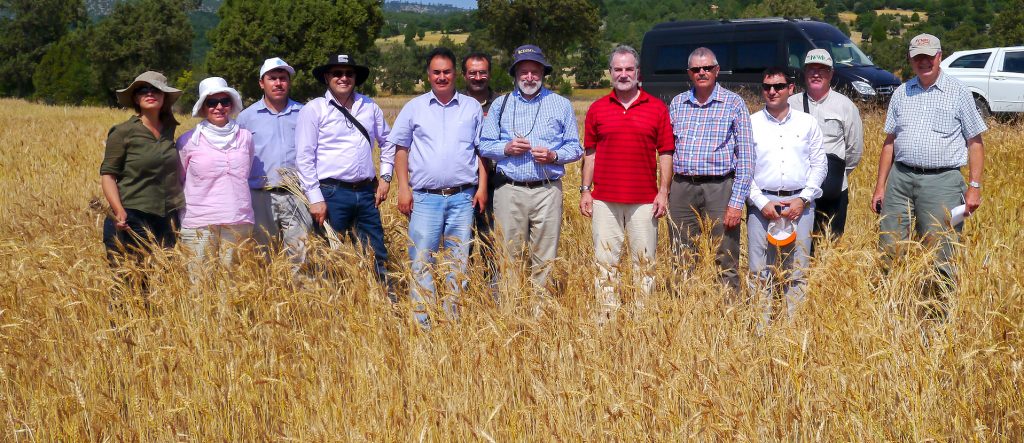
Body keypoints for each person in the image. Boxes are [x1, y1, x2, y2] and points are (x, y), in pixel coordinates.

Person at [870, 34, 986, 315]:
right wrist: (880, 186)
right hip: (900, 178)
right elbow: (890, 143)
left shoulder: (959, 93)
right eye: (917, 57)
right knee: (890, 247)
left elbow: (975, 143)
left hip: (942, 181)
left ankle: (936, 318)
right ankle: (892, 311)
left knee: (940, 253)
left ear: (939, 56)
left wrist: (974, 186)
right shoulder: (902, 92)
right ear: (910, 60)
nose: (923, 62)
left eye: (928, 56)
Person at [390, 47, 487, 326]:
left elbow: (481, 151)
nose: (441, 77)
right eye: (436, 72)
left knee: (457, 263)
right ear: (428, 75)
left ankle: (453, 320)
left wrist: (481, 187)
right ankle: (424, 323)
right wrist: (403, 188)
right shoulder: (414, 108)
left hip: (462, 198)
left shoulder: (471, 107)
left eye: (446, 72)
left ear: (455, 74)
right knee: (422, 261)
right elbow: (401, 150)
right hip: (425, 199)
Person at [479, 44, 583, 295]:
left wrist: (553, 155)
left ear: (543, 74)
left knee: (545, 258)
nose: (529, 77)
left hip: (547, 191)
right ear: (515, 74)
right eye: (523, 71)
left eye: (535, 72)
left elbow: (576, 148)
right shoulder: (500, 105)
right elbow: (484, 145)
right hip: (509, 190)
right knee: (508, 256)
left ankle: (540, 314)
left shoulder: (560, 105)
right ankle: (511, 310)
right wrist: (507, 148)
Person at [579, 45, 673, 318]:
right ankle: (607, 318)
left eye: (628, 69)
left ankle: (641, 321)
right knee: (605, 263)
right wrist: (586, 191)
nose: (623, 74)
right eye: (618, 69)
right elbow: (591, 153)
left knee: (644, 264)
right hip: (605, 200)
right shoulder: (597, 109)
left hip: (645, 201)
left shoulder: (656, 108)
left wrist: (663, 192)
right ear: (610, 73)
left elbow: (665, 152)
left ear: (638, 72)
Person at [296, 54, 395, 290]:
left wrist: (386, 177)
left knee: (375, 251)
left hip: (366, 192)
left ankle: (384, 302)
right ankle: (336, 307)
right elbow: (304, 157)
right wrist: (315, 198)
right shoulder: (314, 109)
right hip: (331, 193)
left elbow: (389, 142)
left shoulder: (370, 106)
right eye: (337, 73)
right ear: (327, 78)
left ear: (356, 78)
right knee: (330, 255)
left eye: (349, 73)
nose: (343, 78)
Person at [666, 47, 755, 296]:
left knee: (725, 257)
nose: (701, 72)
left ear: (716, 71)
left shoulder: (734, 103)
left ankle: (729, 316)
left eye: (707, 68)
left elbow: (746, 157)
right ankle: (683, 314)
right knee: (681, 256)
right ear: (689, 73)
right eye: (696, 69)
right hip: (682, 187)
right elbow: (667, 151)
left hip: (720, 188)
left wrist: (736, 202)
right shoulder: (677, 103)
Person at [747, 68, 825, 325]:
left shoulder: (807, 123)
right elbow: (744, 168)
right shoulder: (751, 123)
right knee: (759, 271)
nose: (772, 91)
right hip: (762, 206)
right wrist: (761, 202)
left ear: (791, 89)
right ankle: (761, 330)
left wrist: (803, 200)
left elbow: (819, 165)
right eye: (767, 86)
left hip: (800, 205)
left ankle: (793, 330)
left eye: (778, 86)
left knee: (798, 270)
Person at [100, 71, 184, 283]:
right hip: (132, 217)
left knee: (163, 283)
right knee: (130, 285)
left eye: (155, 90)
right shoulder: (122, 132)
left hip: (166, 218)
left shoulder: (169, 129)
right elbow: (108, 175)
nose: (150, 93)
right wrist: (119, 211)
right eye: (143, 90)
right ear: (136, 98)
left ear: (164, 96)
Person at [237, 57, 312, 276]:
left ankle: (300, 303)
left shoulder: (304, 113)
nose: (278, 83)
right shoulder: (246, 117)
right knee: (264, 255)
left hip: (297, 195)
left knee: (300, 254)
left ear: (289, 82)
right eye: (272, 78)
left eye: (283, 78)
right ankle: (270, 300)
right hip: (261, 196)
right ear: (262, 83)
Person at [176, 77, 254, 277]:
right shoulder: (187, 141)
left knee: (232, 285)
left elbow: (245, 172)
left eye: (224, 102)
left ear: (231, 105)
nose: (219, 107)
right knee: (199, 284)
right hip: (199, 222)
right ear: (203, 107)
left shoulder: (245, 138)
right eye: (212, 102)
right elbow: (180, 178)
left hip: (238, 219)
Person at [788, 49, 864, 252]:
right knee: (800, 247)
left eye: (822, 70)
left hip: (834, 190)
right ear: (804, 73)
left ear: (831, 74)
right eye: (811, 69)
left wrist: (836, 174)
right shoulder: (790, 104)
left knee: (831, 246)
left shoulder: (845, 106)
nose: (816, 74)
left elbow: (854, 150)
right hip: (799, 191)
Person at [462, 52, 501, 280]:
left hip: (498, 183)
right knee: (461, 243)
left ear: (489, 73)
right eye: (473, 73)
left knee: (491, 241)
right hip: (463, 184)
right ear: (464, 75)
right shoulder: (455, 102)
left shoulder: (502, 104)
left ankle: (492, 292)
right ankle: (463, 290)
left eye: (482, 72)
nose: (478, 77)